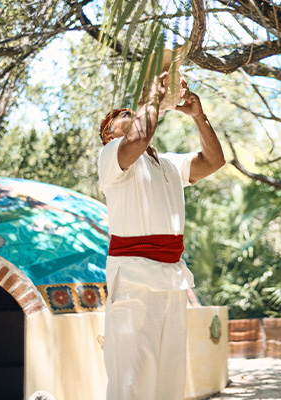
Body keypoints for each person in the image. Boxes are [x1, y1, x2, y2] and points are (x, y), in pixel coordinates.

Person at [97, 72, 225, 399]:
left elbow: (214, 161)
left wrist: (199, 116)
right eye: (122, 117)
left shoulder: (167, 163)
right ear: (108, 134)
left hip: (171, 278)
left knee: (169, 375)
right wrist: (150, 98)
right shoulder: (112, 156)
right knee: (131, 376)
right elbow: (138, 139)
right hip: (134, 276)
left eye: (133, 112)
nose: (130, 115)